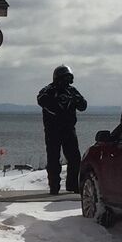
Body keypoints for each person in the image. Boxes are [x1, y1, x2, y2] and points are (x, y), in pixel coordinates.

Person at [37, 64, 88, 195]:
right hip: (52, 130)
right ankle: (54, 186)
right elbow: (41, 100)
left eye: (68, 79)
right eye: (64, 78)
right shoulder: (48, 90)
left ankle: (73, 184)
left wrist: (75, 99)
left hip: (69, 129)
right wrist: (56, 101)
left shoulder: (72, 91)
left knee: (75, 158)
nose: (66, 82)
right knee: (53, 158)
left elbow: (83, 106)